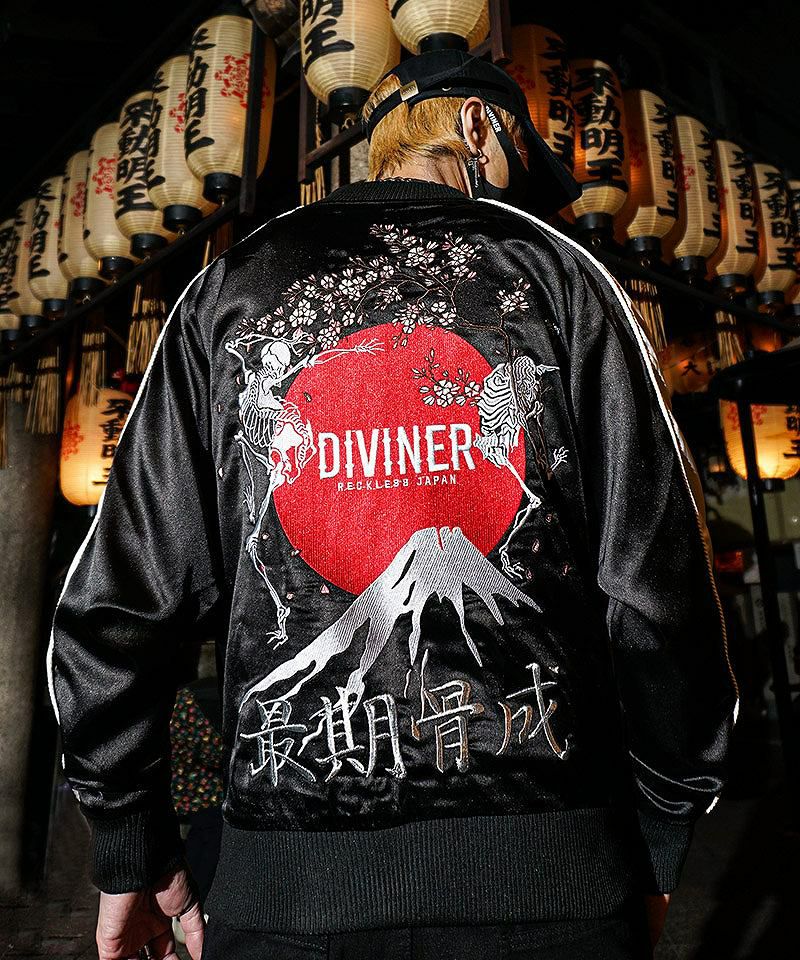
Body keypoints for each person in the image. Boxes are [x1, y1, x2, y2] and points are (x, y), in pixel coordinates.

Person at [48, 50, 738, 960]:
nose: (523, 200)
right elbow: (662, 589)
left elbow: (120, 602)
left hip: (284, 903)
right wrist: (656, 837)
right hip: (552, 892)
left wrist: (130, 841)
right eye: (521, 165)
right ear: (479, 128)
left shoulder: (232, 287)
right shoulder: (560, 276)